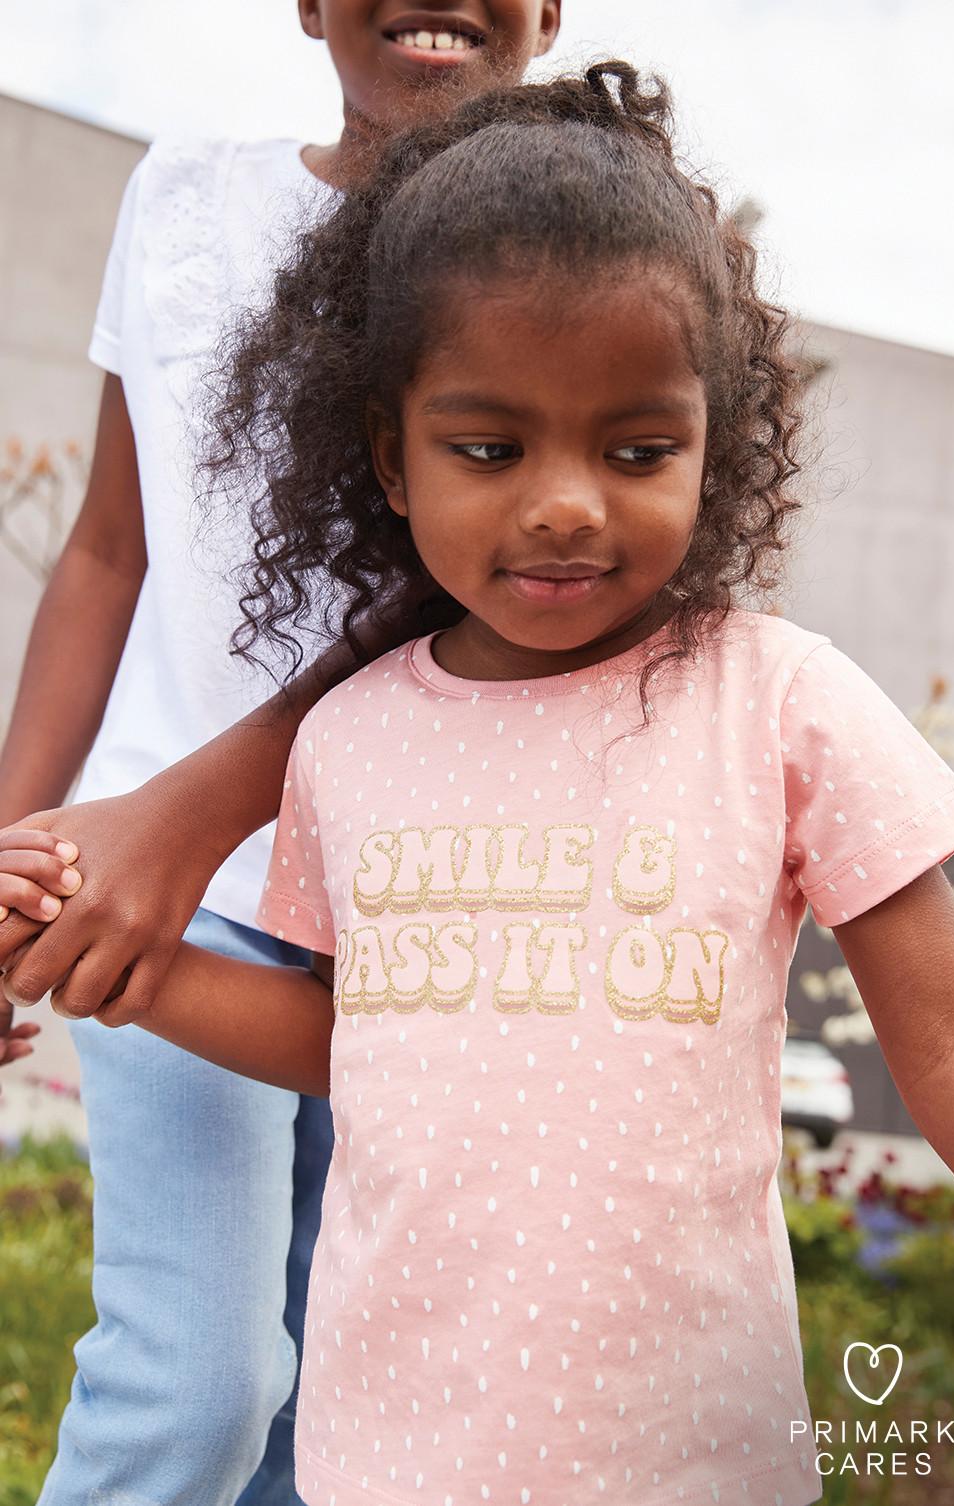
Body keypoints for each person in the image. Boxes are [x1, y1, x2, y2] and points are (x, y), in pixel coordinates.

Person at [8, 58, 954, 1506]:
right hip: (387, 1461)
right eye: (489, 445)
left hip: (694, 1469)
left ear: (716, 447)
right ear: (390, 460)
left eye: (639, 447)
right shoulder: (346, 738)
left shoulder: (783, 703)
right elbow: (371, 1041)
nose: (565, 502)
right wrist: (126, 970)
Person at [0, 5, 562, 1502]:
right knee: (199, 1385)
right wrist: (16, 856)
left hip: (432, 898)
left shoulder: (553, 245)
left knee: (340, 1421)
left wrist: (197, 805)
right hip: (171, 880)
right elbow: (108, 554)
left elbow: (467, 590)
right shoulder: (185, 196)